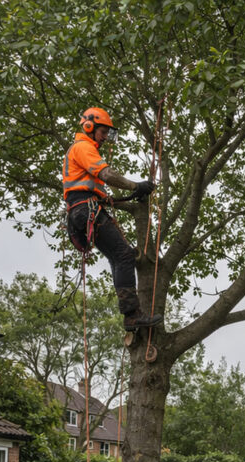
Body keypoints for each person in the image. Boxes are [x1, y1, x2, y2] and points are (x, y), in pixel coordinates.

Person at [63, 106, 163, 331]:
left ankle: (131, 314)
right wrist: (135, 186)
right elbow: (106, 174)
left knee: (118, 257)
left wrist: (109, 198)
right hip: (85, 209)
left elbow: (91, 185)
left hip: (85, 208)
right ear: (90, 127)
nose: (106, 136)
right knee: (123, 255)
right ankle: (132, 315)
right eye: (103, 131)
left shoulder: (84, 148)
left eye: (108, 132)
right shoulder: (83, 147)